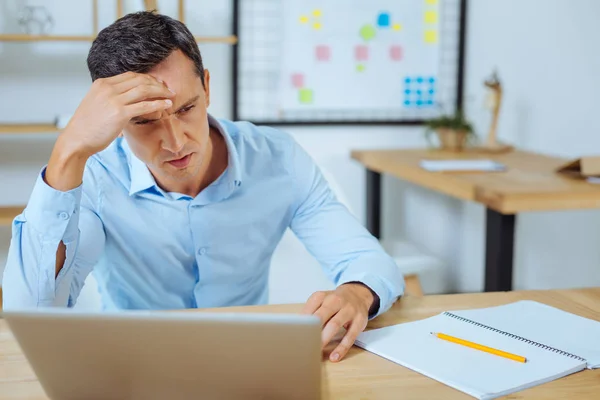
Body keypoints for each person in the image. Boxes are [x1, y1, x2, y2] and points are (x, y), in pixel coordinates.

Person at [2, 11, 404, 362]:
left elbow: (368, 260)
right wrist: (68, 153)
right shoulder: (93, 176)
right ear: (114, 121)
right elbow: (31, 311)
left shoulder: (277, 158)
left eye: (186, 109)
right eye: (144, 122)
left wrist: (356, 292)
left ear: (207, 87)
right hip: (135, 365)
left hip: (250, 361)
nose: (175, 142)